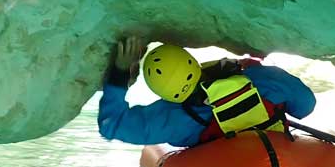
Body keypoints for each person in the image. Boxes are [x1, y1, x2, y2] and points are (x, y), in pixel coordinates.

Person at [98, 36, 317, 147]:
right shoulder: (263, 78)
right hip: (280, 148)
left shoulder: (170, 119)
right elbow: (306, 106)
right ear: (192, 63)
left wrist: (119, 73)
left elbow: (111, 125)